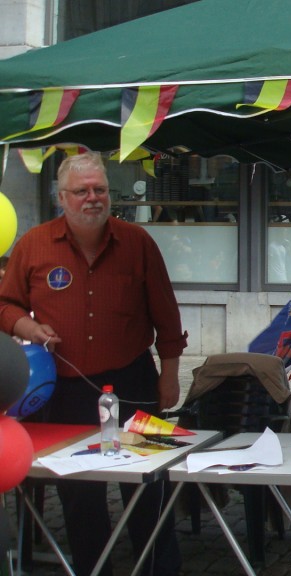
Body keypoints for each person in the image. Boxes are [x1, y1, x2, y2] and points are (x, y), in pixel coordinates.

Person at [0, 152, 187, 576]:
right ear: (61, 198)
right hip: (66, 390)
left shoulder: (137, 242)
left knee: (148, 485)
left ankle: (160, 569)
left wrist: (170, 375)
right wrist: (29, 329)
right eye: (81, 191)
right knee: (80, 495)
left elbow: (167, 315)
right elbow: (5, 304)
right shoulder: (34, 245)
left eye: (99, 189)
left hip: (135, 380)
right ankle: (93, 569)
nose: (92, 198)